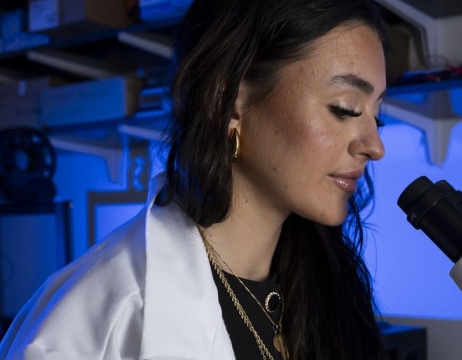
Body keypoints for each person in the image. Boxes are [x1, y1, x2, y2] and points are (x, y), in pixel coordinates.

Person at [0, 0, 389, 359]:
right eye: (346, 108)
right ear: (229, 103)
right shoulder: (89, 323)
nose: (375, 147)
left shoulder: (328, 286)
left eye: (377, 115)